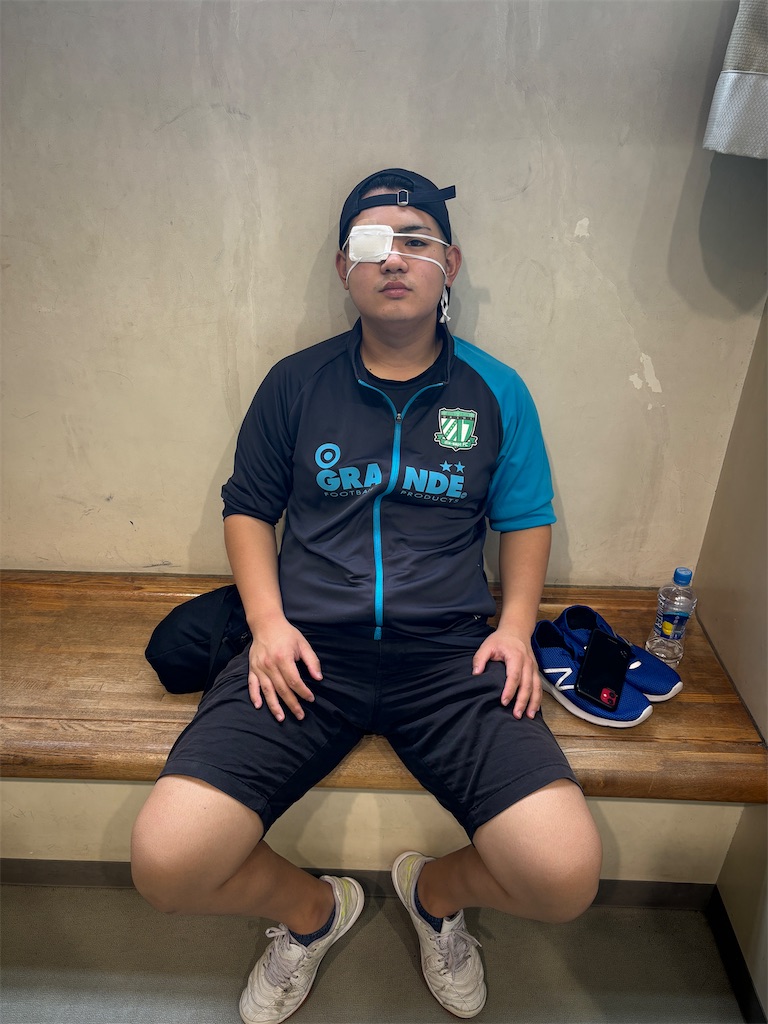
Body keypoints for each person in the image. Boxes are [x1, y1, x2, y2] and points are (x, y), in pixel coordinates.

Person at [131, 168, 602, 1023]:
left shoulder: (497, 390)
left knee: (565, 876)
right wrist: (267, 625)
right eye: (371, 243)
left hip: (451, 658)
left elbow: (526, 517)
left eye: (415, 240)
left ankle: (434, 896)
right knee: (167, 864)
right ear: (343, 267)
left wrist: (516, 629)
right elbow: (248, 508)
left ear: (449, 264)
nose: (394, 259)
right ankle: (314, 913)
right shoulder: (295, 383)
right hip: (306, 653)